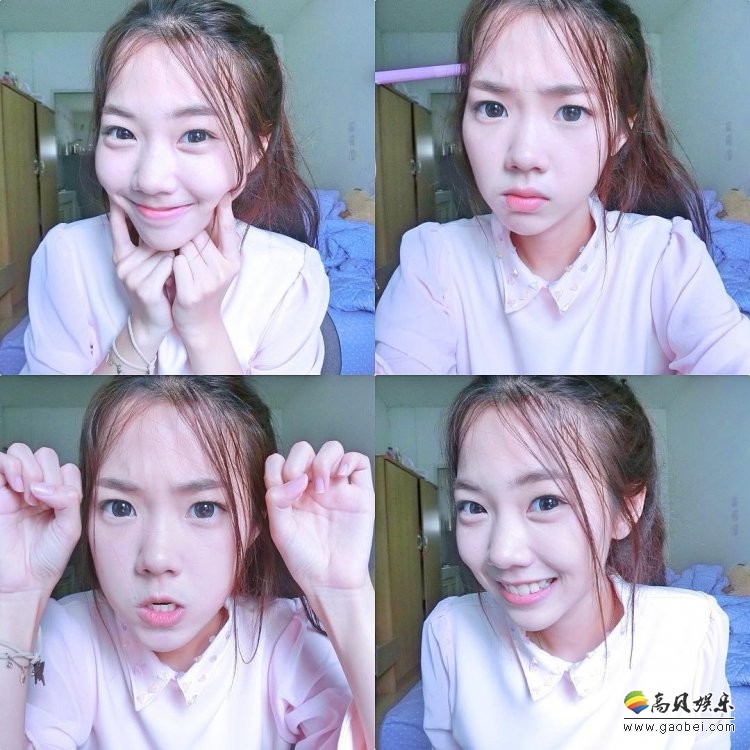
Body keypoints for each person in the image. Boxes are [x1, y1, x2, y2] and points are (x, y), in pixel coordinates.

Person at [375, 0, 750, 374]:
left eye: (571, 112)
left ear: (621, 130)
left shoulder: (667, 261)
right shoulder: (434, 262)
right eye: (492, 108)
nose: (524, 156)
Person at [0, 377, 375, 749]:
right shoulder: (67, 636)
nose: (156, 559)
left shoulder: (286, 642)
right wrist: (15, 600)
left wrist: (344, 593)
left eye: (204, 508)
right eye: (120, 507)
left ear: (255, 523)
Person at [423, 376, 732, 748]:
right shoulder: (448, 634)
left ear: (625, 509)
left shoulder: (694, 632)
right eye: (474, 507)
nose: (502, 553)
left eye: (546, 502)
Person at [23, 0, 328, 375]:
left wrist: (203, 330)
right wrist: (141, 331)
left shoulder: (290, 278)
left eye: (196, 135)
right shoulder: (66, 257)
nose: (151, 180)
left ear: (254, 151)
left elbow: (255, 415)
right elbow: (68, 414)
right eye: (122, 132)